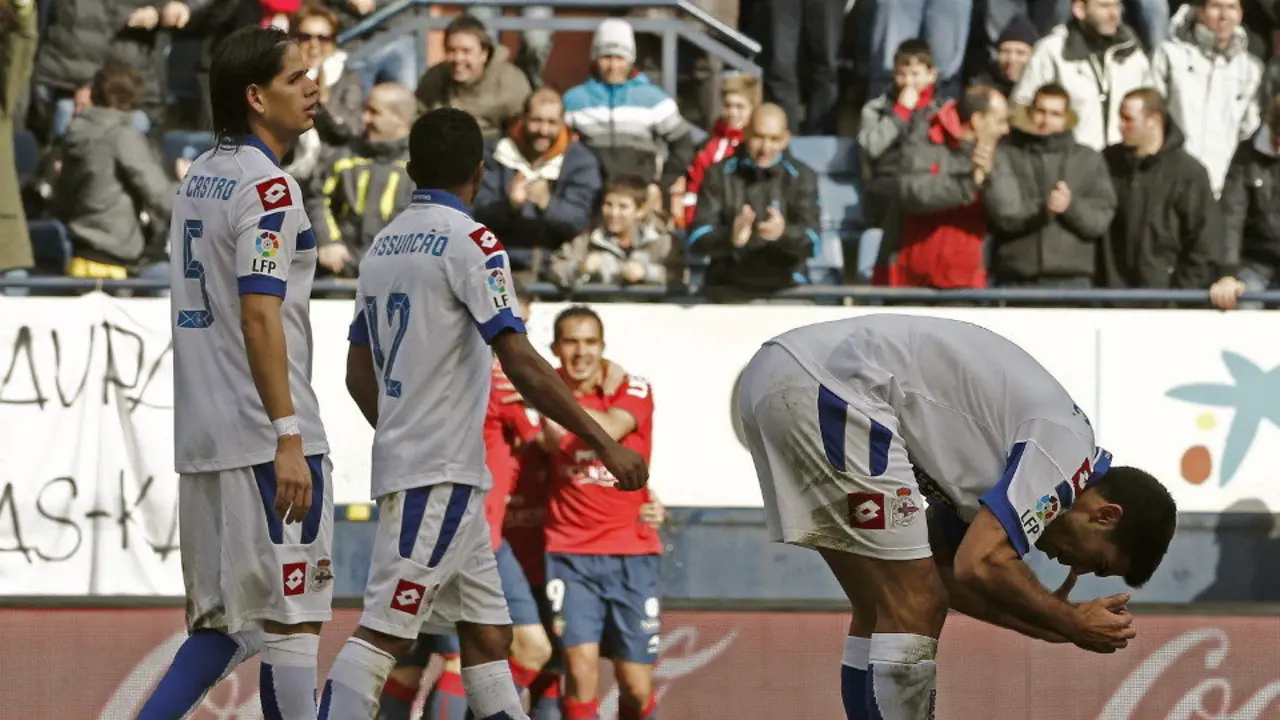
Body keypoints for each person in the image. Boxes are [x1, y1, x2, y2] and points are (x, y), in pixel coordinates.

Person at [321, 107, 647, 720]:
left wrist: (401, 431)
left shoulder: (381, 249)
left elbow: (356, 373)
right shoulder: (474, 243)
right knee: (386, 633)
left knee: (488, 638)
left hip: (436, 471)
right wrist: (604, 441)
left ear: (412, 169)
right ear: (478, 173)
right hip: (438, 473)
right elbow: (520, 359)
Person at [737, 314, 1178, 719]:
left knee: (883, 606)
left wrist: (1052, 625)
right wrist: (1071, 621)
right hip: (832, 388)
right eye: (1097, 563)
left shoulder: (1021, 460)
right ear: (1105, 515)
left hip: (787, 375)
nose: (1076, 569)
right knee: (912, 602)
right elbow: (978, 564)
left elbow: (950, 575)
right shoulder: (1067, 455)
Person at [138, 25, 330, 720]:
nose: (315, 85)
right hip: (265, 436)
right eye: (296, 77)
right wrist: (289, 434)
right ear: (255, 96)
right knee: (294, 621)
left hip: (203, 435)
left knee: (228, 626)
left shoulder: (200, 180)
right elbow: (258, 315)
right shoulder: (270, 188)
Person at [540, 306, 661, 720]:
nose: (581, 352)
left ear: (603, 347)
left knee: (637, 687)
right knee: (579, 671)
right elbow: (551, 440)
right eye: (571, 342)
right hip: (569, 553)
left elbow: (610, 426)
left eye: (590, 342)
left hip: (633, 552)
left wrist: (551, 400)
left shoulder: (635, 387)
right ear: (555, 348)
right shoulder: (544, 385)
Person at [985, 83, 1116, 288]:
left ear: (1066, 118)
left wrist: (1070, 207)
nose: (1046, 120)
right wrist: (1042, 209)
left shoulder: (1088, 159)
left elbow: (1100, 220)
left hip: (1073, 281)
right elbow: (1005, 214)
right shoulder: (1006, 154)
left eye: (1055, 114)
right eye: (1041, 112)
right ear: (1030, 113)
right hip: (1017, 279)